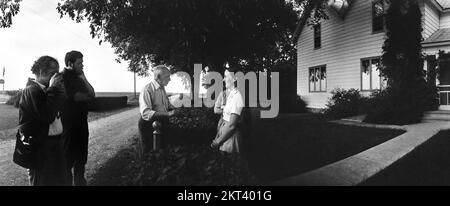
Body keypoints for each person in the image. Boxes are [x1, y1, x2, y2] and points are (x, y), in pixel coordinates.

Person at [16, 56, 66, 186]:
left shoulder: (48, 90)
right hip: (41, 148)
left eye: (57, 73)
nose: (56, 76)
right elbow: (47, 116)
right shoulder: (32, 90)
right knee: (42, 182)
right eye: (52, 73)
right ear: (39, 71)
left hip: (56, 143)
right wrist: (54, 88)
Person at [60, 50, 95, 186]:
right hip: (68, 126)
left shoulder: (79, 77)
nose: (82, 65)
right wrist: (85, 97)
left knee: (81, 159)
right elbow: (76, 96)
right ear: (70, 63)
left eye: (82, 62)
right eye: (79, 63)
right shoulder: (62, 77)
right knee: (68, 161)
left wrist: (84, 77)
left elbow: (92, 93)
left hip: (81, 124)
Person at [138, 65, 178, 155]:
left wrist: (174, 108)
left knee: (162, 151)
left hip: (161, 122)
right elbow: (146, 113)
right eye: (167, 76)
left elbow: (166, 105)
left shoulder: (162, 88)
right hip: (148, 125)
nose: (170, 79)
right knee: (149, 154)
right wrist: (167, 114)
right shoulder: (147, 89)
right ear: (159, 77)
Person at [211, 67, 245, 153]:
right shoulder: (230, 95)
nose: (223, 79)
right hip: (225, 136)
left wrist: (217, 142)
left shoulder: (237, 97)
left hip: (231, 138)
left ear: (234, 79)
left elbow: (232, 125)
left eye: (226, 76)